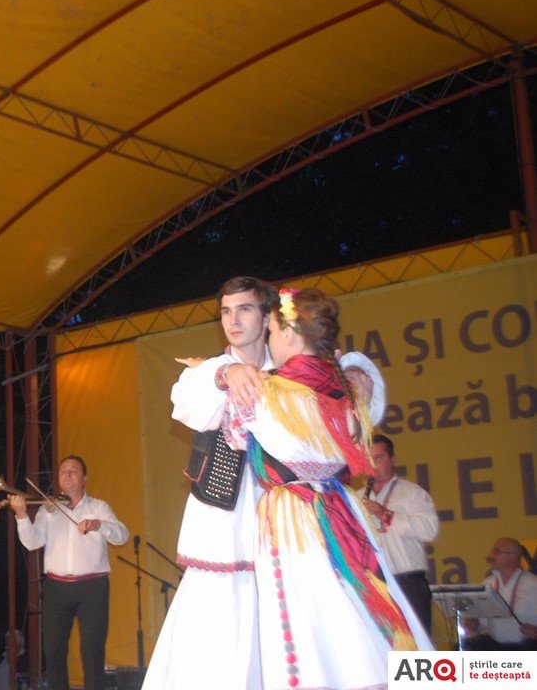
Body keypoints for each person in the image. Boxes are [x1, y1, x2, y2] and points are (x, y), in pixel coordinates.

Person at [145, 276, 386, 690]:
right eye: (225, 311)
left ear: (268, 317)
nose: (233, 320)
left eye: (244, 309)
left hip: (292, 523)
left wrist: (355, 368)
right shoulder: (212, 372)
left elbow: (346, 386)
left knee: (304, 622)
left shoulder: (294, 370)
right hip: (226, 522)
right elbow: (187, 403)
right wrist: (226, 371)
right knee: (220, 625)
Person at [234, 287, 430, 687]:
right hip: (341, 506)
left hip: (293, 513)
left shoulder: (268, 391)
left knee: (309, 618)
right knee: (354, 599)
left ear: (291, 335)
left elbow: (224, 423)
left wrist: (223, 372)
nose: (268, 342)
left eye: (272, 332)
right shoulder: (349, 388)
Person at [8, 455, 128, 690]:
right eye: (63, 471)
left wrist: (98, 524)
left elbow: (122, 535)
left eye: (74, 471)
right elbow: (33, 543)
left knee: (92, 650)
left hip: (93, 587)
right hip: (56, 588)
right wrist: (21, 515)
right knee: (54, 651)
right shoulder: (49, 509)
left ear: (84, 479)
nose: (67, 474)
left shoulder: (98, 507)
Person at [361, 434, 440, 632]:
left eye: (379, 458)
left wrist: (386, 514)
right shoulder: (357, 496)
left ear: (392, 460)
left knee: (415, 643)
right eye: (369, 459)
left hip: (408, 582)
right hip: (373, 583)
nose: (373, 465)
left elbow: (430, 530)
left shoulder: (412, 493)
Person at [462, 537, 537, 649]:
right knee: (462, 647)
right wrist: (475, 624)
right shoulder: (487, 584)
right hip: (494, 645)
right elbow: (482, 623)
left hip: (525, 647)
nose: (491, 556)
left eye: (497, 552)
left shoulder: (532, 584)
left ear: (512, 556)